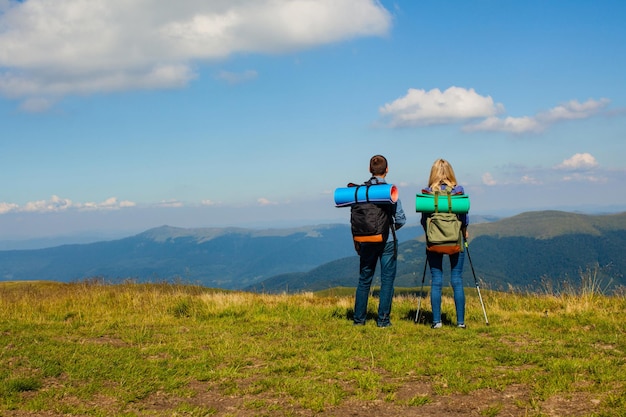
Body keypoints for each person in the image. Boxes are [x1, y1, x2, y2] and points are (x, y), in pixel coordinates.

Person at [353, 155, 406, 327]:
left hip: (366, 240)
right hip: (387, 240)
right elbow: (401, 219)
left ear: (370, 170)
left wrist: (359, 239)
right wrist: (387, 229)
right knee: (387, 280)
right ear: (387, 169)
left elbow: (356, 219)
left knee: (364, 280)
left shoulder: (361, 192)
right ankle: (383, 321)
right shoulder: (390, 191)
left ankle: (359, 320)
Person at [420, 159, 469, 329]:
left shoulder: (427, 193)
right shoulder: (458, 191)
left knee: (437, 279)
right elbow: (464, 216)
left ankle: (436, 321)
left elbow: (423, 219)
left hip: (434, 241)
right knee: (457, 279)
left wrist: (429, 233)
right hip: (455, 239)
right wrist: (464, 231)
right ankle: (460, 322)